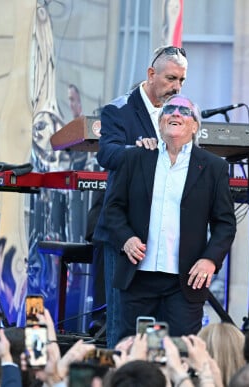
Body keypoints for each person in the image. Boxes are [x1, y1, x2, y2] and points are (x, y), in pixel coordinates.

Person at [102, 94, 236, 340]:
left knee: (182, 353)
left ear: (194, 126)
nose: (175, 113)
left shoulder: (213, 167)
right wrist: (126, 238)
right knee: (133, 352)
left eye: (183, 111)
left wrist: (210, 260)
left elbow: (225, 224)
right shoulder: (135, 158)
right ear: (160, 123)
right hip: (137, 277)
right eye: (169, 109)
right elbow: (112, 209)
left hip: (184, 282)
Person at [94, 45, 189, 348]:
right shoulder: (118, 110)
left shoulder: (180, 115)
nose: (176, 87)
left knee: (162, 329)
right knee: (123, 325)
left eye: (182, 81)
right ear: (151, 74)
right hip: (128, 233)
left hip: (166, 237)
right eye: (171, 78)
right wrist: (136, 150)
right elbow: (106, 154)